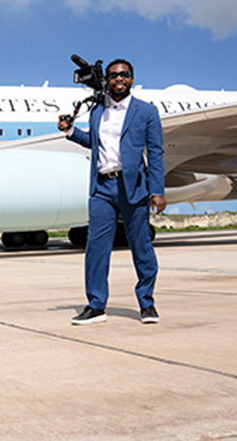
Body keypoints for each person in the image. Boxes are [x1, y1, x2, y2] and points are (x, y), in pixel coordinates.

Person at [58, 59, 166, 325]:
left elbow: (155, 152)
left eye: (125, 75)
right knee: (96, 248)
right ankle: (96, 305)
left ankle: (147, 304)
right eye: (114, 75)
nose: (119, 79)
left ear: (132, 79)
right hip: (102, 188)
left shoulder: (146, 112)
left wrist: (157, 190)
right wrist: (71, 131)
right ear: (107, 80)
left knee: (141, 247)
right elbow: (94, 142)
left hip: (134, 188)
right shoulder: (97, 111)